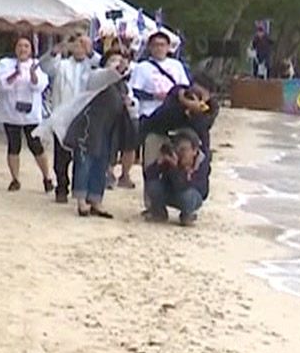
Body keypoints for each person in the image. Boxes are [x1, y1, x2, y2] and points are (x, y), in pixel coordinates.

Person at [44, 48, 137, 219]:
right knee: (84, 162)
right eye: (113, 60)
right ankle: (81, 199)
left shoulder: (122, 86)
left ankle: (96, 199)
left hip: (109, 129)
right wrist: (117, 69)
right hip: (89, 127)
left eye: (120, 60)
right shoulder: (95, 76)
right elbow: (107, 75)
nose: (117, 63)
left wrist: (130, 104)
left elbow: (132, 106)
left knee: (102, 164)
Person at [122, 32, 190, 188]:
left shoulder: (177, 66)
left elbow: (186, 87)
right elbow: (134, 91)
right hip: (150, 115)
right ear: (150, 48)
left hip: (174, 116)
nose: (159, 49)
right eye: (156, 45)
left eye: (162, 45)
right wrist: (154, 96)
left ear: (168, 48)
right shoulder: (142, 68)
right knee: (152, 158)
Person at [0, 34, 53, 193]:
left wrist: (32, 74)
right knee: (14, 146)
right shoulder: (5, 64)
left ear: (31, 49)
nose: (23, 49)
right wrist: (16, 73)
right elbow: (0, 84)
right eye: (20, 46)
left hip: (30, 113)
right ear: (15, 48)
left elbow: (40, 86)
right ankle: (15, 179)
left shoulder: (37, 65)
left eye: (26, 46)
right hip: (11, 112)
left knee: (36, 145)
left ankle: (47, 177)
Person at [43, 34, 95, 204]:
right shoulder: (62, 64)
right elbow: (46, 68)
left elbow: (105, 66)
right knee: (62, 154)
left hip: (86, 115)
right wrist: (54, 52)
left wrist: (91, 52)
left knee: (83, 155)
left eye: (83, 44)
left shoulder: (93, 64)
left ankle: (80, 189)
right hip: (64, 114)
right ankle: (62, 187)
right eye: (77, 44)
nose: (80, 48)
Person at [144, 127, 210, 226]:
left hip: (191, 194)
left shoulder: (200, 163)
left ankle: (187, 214)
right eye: (178, 148)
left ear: (195, 150)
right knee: (152, 186)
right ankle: (159, 212)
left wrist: (176, 168)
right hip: (171, 191)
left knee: (188, 197)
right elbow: (149, 176)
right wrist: (159, 163)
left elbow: (183, 186)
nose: (181, 152)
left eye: (184, 149)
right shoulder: (174, 157)